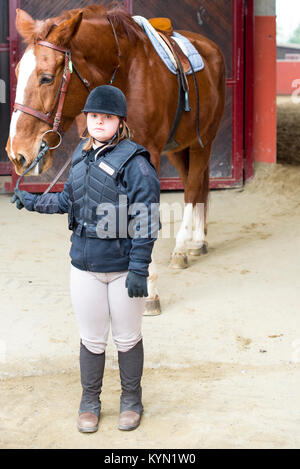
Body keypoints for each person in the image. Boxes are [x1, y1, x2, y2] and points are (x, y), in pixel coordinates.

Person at [10, 85, 161, 433]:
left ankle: (131, 400)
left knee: (127, 338)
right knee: (92, 339)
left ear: (119, 121)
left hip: (123, 269)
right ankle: (90, 401)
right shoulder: (80, 154)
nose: (98, 122)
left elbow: (147, 218)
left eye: (105, 117)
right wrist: (32, 201)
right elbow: (67, 202)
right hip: (84, 267)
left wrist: (140, 268)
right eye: (93, 116)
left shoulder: (136, 164)